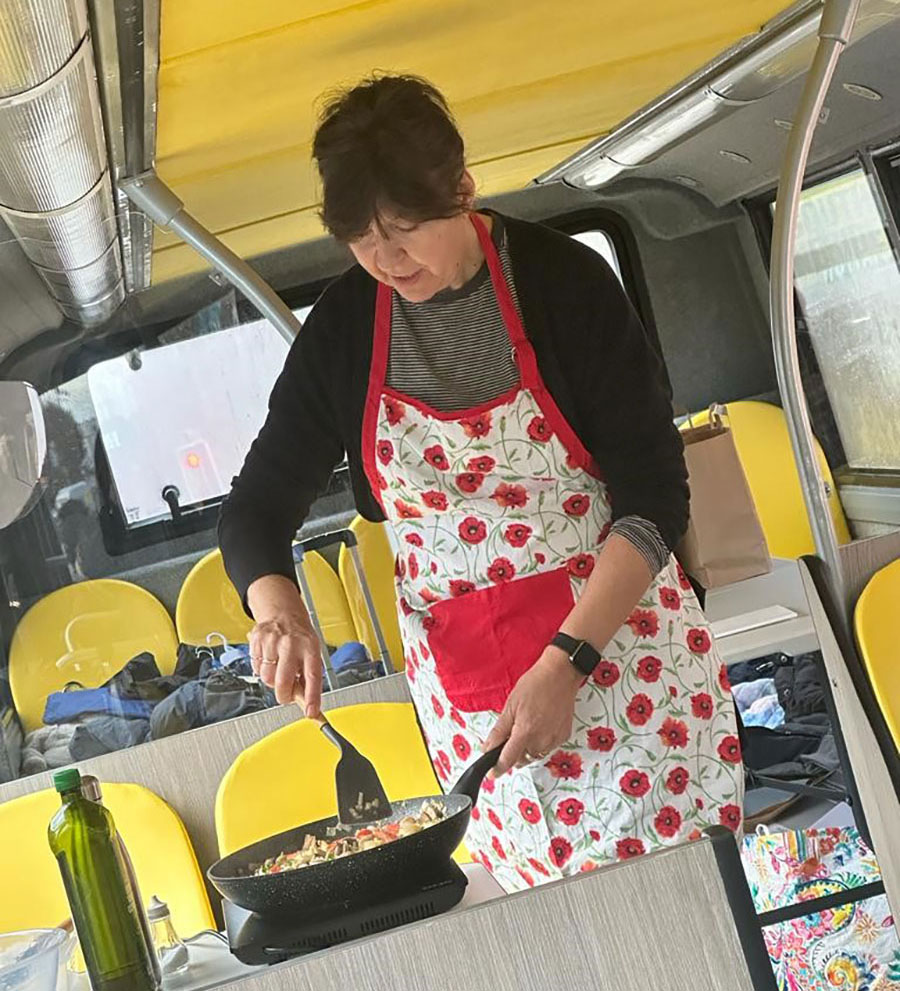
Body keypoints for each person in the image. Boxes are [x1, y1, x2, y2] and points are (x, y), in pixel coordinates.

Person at [219, 74, 743, 891]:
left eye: (404, 233)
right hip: (482, 718)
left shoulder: (564, 284)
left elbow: (653, 500)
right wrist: (276, 607)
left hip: (627, 670)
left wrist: (567, 661)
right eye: (361, 243)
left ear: (461, 189)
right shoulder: (348, 327)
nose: (387, 263)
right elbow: (255, 509)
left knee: (683, 920)